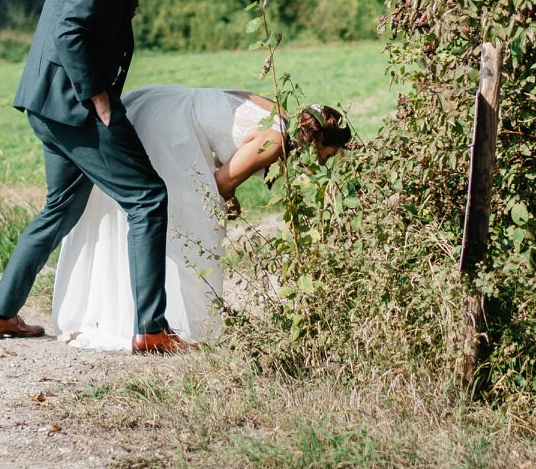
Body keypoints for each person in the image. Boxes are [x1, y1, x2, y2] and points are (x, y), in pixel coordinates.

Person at [0, 0, 189, 354]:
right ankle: (152, 330)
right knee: (149, 198)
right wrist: (99, 99)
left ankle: (0, 314)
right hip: (74, 108)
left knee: (61, 208)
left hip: (48, 106)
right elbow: (69, 33)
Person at [51, 86, 352, 352]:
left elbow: (227, 137)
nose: (321, 162)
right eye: (326, 155)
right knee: (193, 222)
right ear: (316, 141)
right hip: (171, 130)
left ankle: (139, 310)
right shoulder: (274, 142)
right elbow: (219, 185)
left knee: (158, 213)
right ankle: (171, 322)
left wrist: (229, 194)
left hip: (166, 101)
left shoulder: (277, 110)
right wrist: (228, 200)